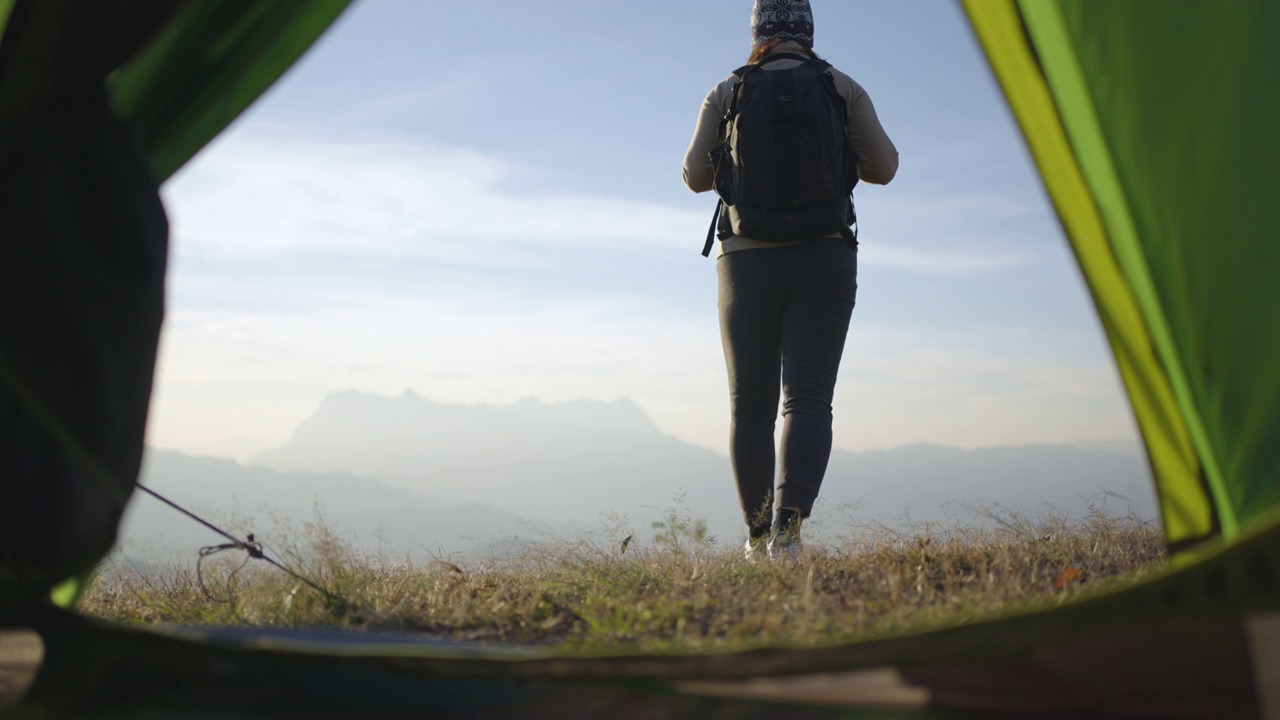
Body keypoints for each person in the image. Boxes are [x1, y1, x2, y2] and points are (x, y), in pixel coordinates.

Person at [682, 0, 898, 560]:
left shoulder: (728, 90)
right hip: (824, 259)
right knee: (806, 400)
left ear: (758, 33)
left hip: (746, 260)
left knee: (748, 407)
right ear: (806, 32)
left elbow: (694, 178)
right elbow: (884, 168)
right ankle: (789, 536)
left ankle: (755, 541)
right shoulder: (840, 87)